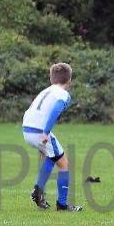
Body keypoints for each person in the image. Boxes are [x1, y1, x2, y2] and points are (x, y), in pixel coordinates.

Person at [22, 63, 82, 211]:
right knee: (63, 163)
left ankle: (39, 191)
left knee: (52, 156)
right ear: (69, 79)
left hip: (27, 129)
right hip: (40, 131)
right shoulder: (63, 94)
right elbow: (55, 111)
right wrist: (45, 132)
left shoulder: (46, 91)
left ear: (51, 79)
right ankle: (61, 204)